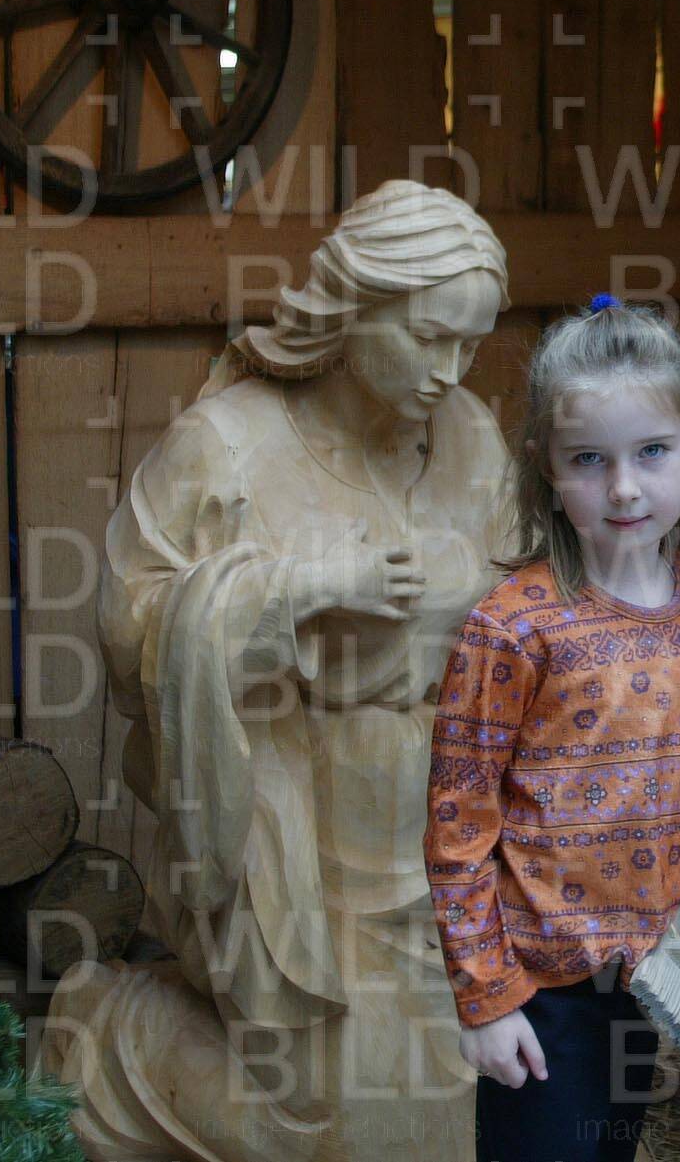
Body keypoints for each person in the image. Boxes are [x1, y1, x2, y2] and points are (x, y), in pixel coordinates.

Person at [42, 180, 514, 1162]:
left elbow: (532, 604)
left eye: (469, 345)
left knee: (440, 1123)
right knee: (331, 1128)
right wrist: (294, 589)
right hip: (288, 851)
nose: (448, 371)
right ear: (353, 304)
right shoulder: (226, 444)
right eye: (427, 337)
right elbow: (131, 628)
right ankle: (106, 1040)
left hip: (449, 844)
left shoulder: (470, 437)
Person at [423, 296, 680, 1162]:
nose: (624, 487)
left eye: (650, 452)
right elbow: (457, 823)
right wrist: (486, 997)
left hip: (648, 974)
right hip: (543, 986)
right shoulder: (514, 625)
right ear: (546, 466)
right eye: (589, 459)